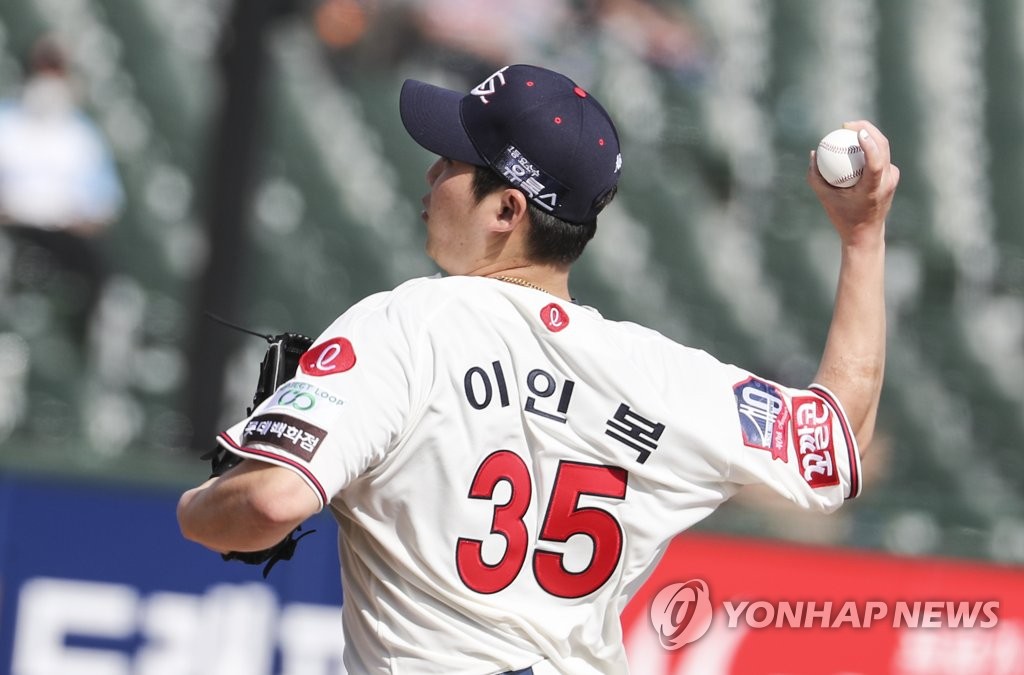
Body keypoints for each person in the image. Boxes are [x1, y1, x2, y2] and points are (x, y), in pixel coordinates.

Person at [178, 64, 898, 674]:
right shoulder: (660, 374)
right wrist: (862, 239)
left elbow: (270, 503)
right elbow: (834, 445)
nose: (432, 174)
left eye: (453, 164)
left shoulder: (409, 324)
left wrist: (204, 502)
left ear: (506, 209)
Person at [0, 36, 124, 347]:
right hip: (12, 228)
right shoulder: (6, 121)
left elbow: (105, 204)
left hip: (61, 233)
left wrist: (83, 220)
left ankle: (80, 347)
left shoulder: (82, 136)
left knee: (97, 272)